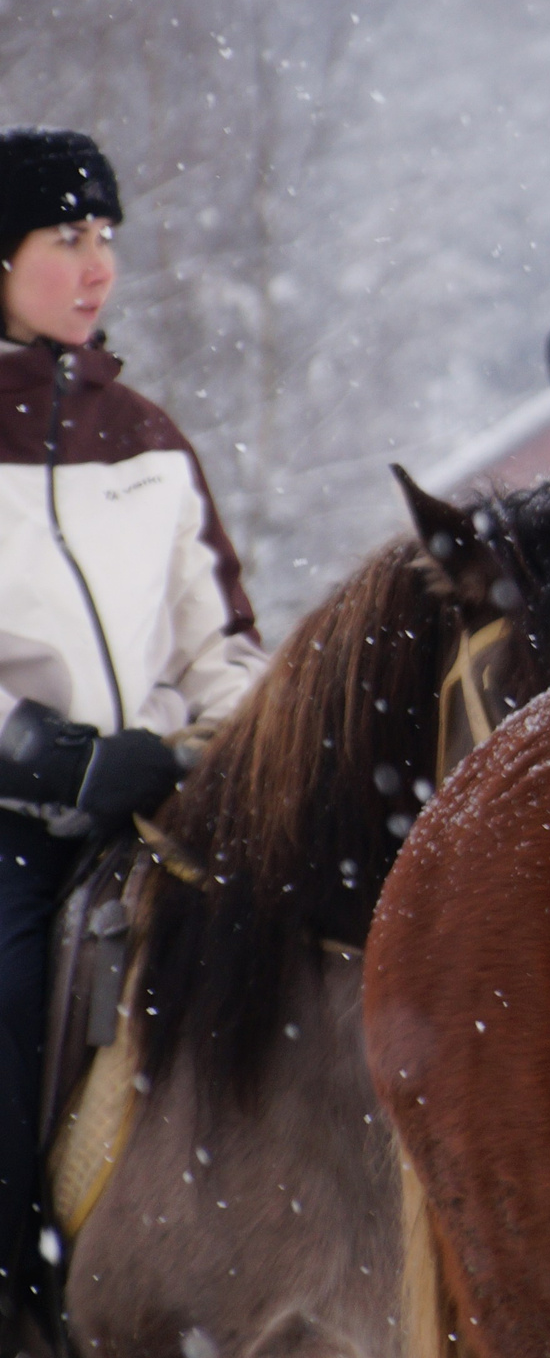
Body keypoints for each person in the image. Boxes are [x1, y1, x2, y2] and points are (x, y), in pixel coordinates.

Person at [0, 128, 265, 1309]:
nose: (98, 265)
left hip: (158, 800)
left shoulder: (150, 437)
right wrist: (50, 757)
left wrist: (251, 750)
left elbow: (223, 645)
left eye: (106, 235)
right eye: (67, 237)